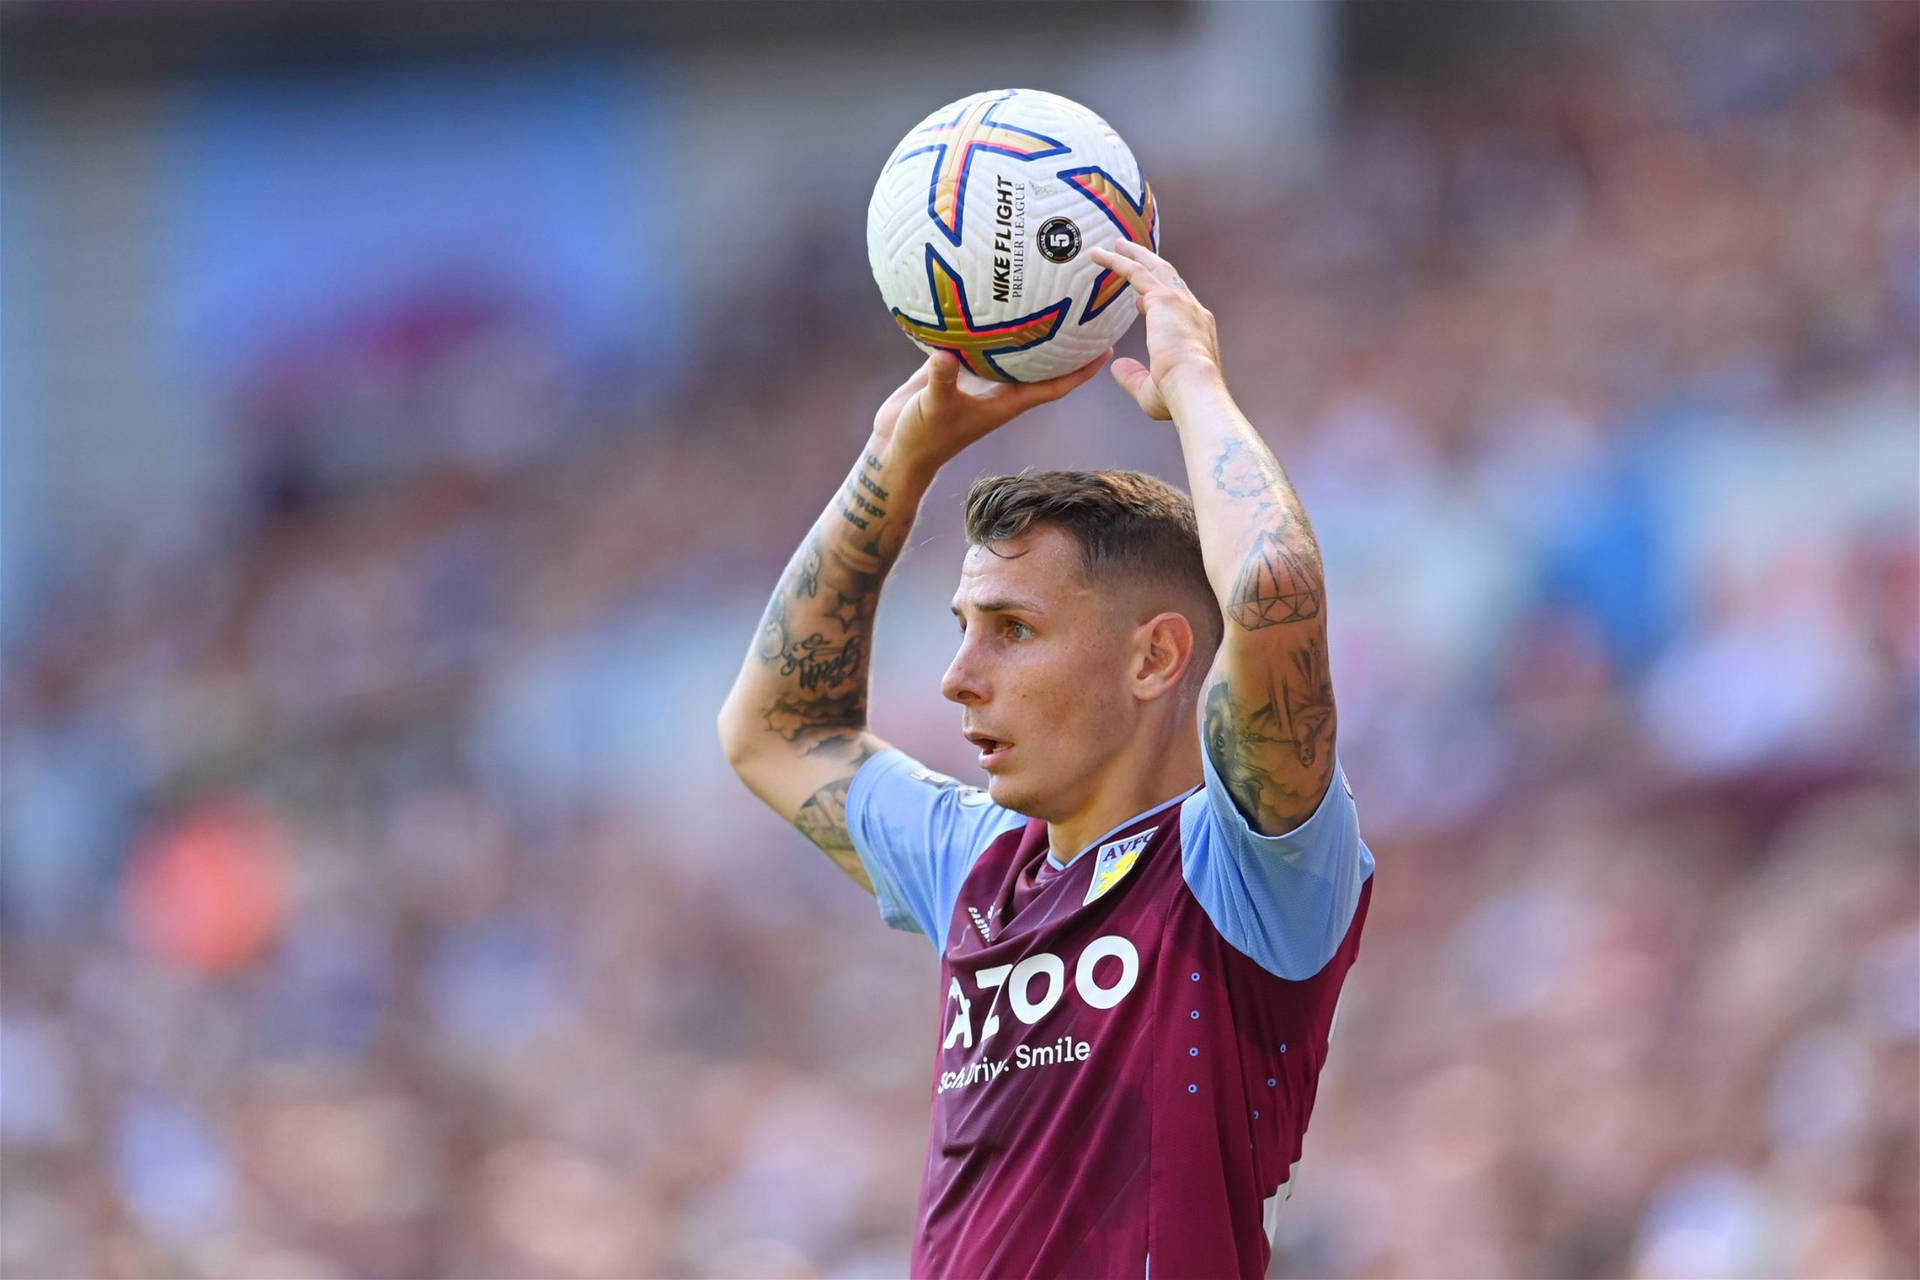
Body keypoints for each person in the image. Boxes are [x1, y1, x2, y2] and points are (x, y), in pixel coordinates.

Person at [718, 240, 1373, 1279]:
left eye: (1013, 630)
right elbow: (775, 728)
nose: (958, 676)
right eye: (962, 626)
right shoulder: (976, 862)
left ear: (1156, 656)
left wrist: (1194, 381)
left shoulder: (1249, 871)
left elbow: (1274, 588)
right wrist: (895, 464)